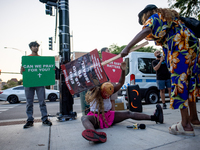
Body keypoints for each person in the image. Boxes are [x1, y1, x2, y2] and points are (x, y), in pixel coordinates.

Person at [121, 4, 200, 136]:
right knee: (189, 82)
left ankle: (185, 125)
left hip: (179, 48)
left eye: (143, 20)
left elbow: (145, 31)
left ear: (146, 15)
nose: (145, 23)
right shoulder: (173, 18)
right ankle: (194, 118)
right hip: (192, 48)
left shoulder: (155, 16)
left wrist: (127, 47)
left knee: (180, 83)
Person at [81, 61, 163, 143]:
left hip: (109, 116)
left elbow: (120, 83)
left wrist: (123, 71)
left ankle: (155, 117)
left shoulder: (107, 89)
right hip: (96, 118)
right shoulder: (92, 88)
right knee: (84, 118)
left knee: (129, 113)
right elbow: (87, 81)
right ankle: (94, 135)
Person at [21, 41, 52, 128]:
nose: (36, 48)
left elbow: (45, 71)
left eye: (37, 46)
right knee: (29, 103)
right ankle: (30, 120)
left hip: (39, 83)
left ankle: (45, 119)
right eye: (34, 46)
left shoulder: (41, 59)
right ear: (30, 48)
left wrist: (50, 70)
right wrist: (22, 70)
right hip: (29, 83)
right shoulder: (26, 59)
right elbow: (22, 72)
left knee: (42, 101)